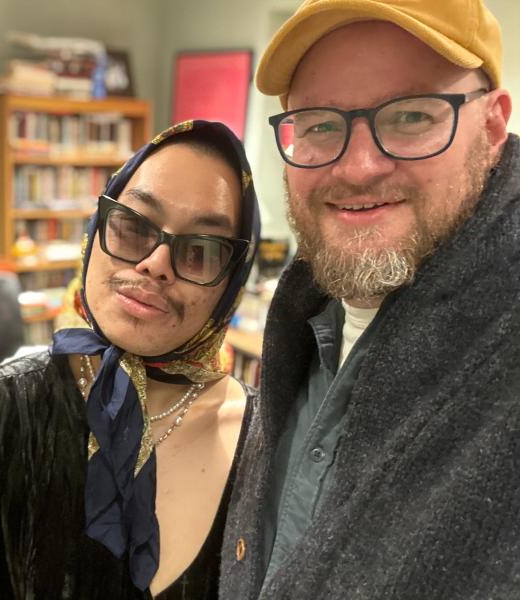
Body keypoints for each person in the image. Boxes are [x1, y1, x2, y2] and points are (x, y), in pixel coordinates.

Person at [219, 1, 517, 599]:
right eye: (320, 124)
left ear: (491, 126)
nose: (357, 167)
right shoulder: (306, 315)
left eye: (410, 115)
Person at [0, 120, 260, 598]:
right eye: (135, 227)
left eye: (200, 251)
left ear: (231, 281)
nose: (155, 263)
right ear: (98, 228)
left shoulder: (266, 442)